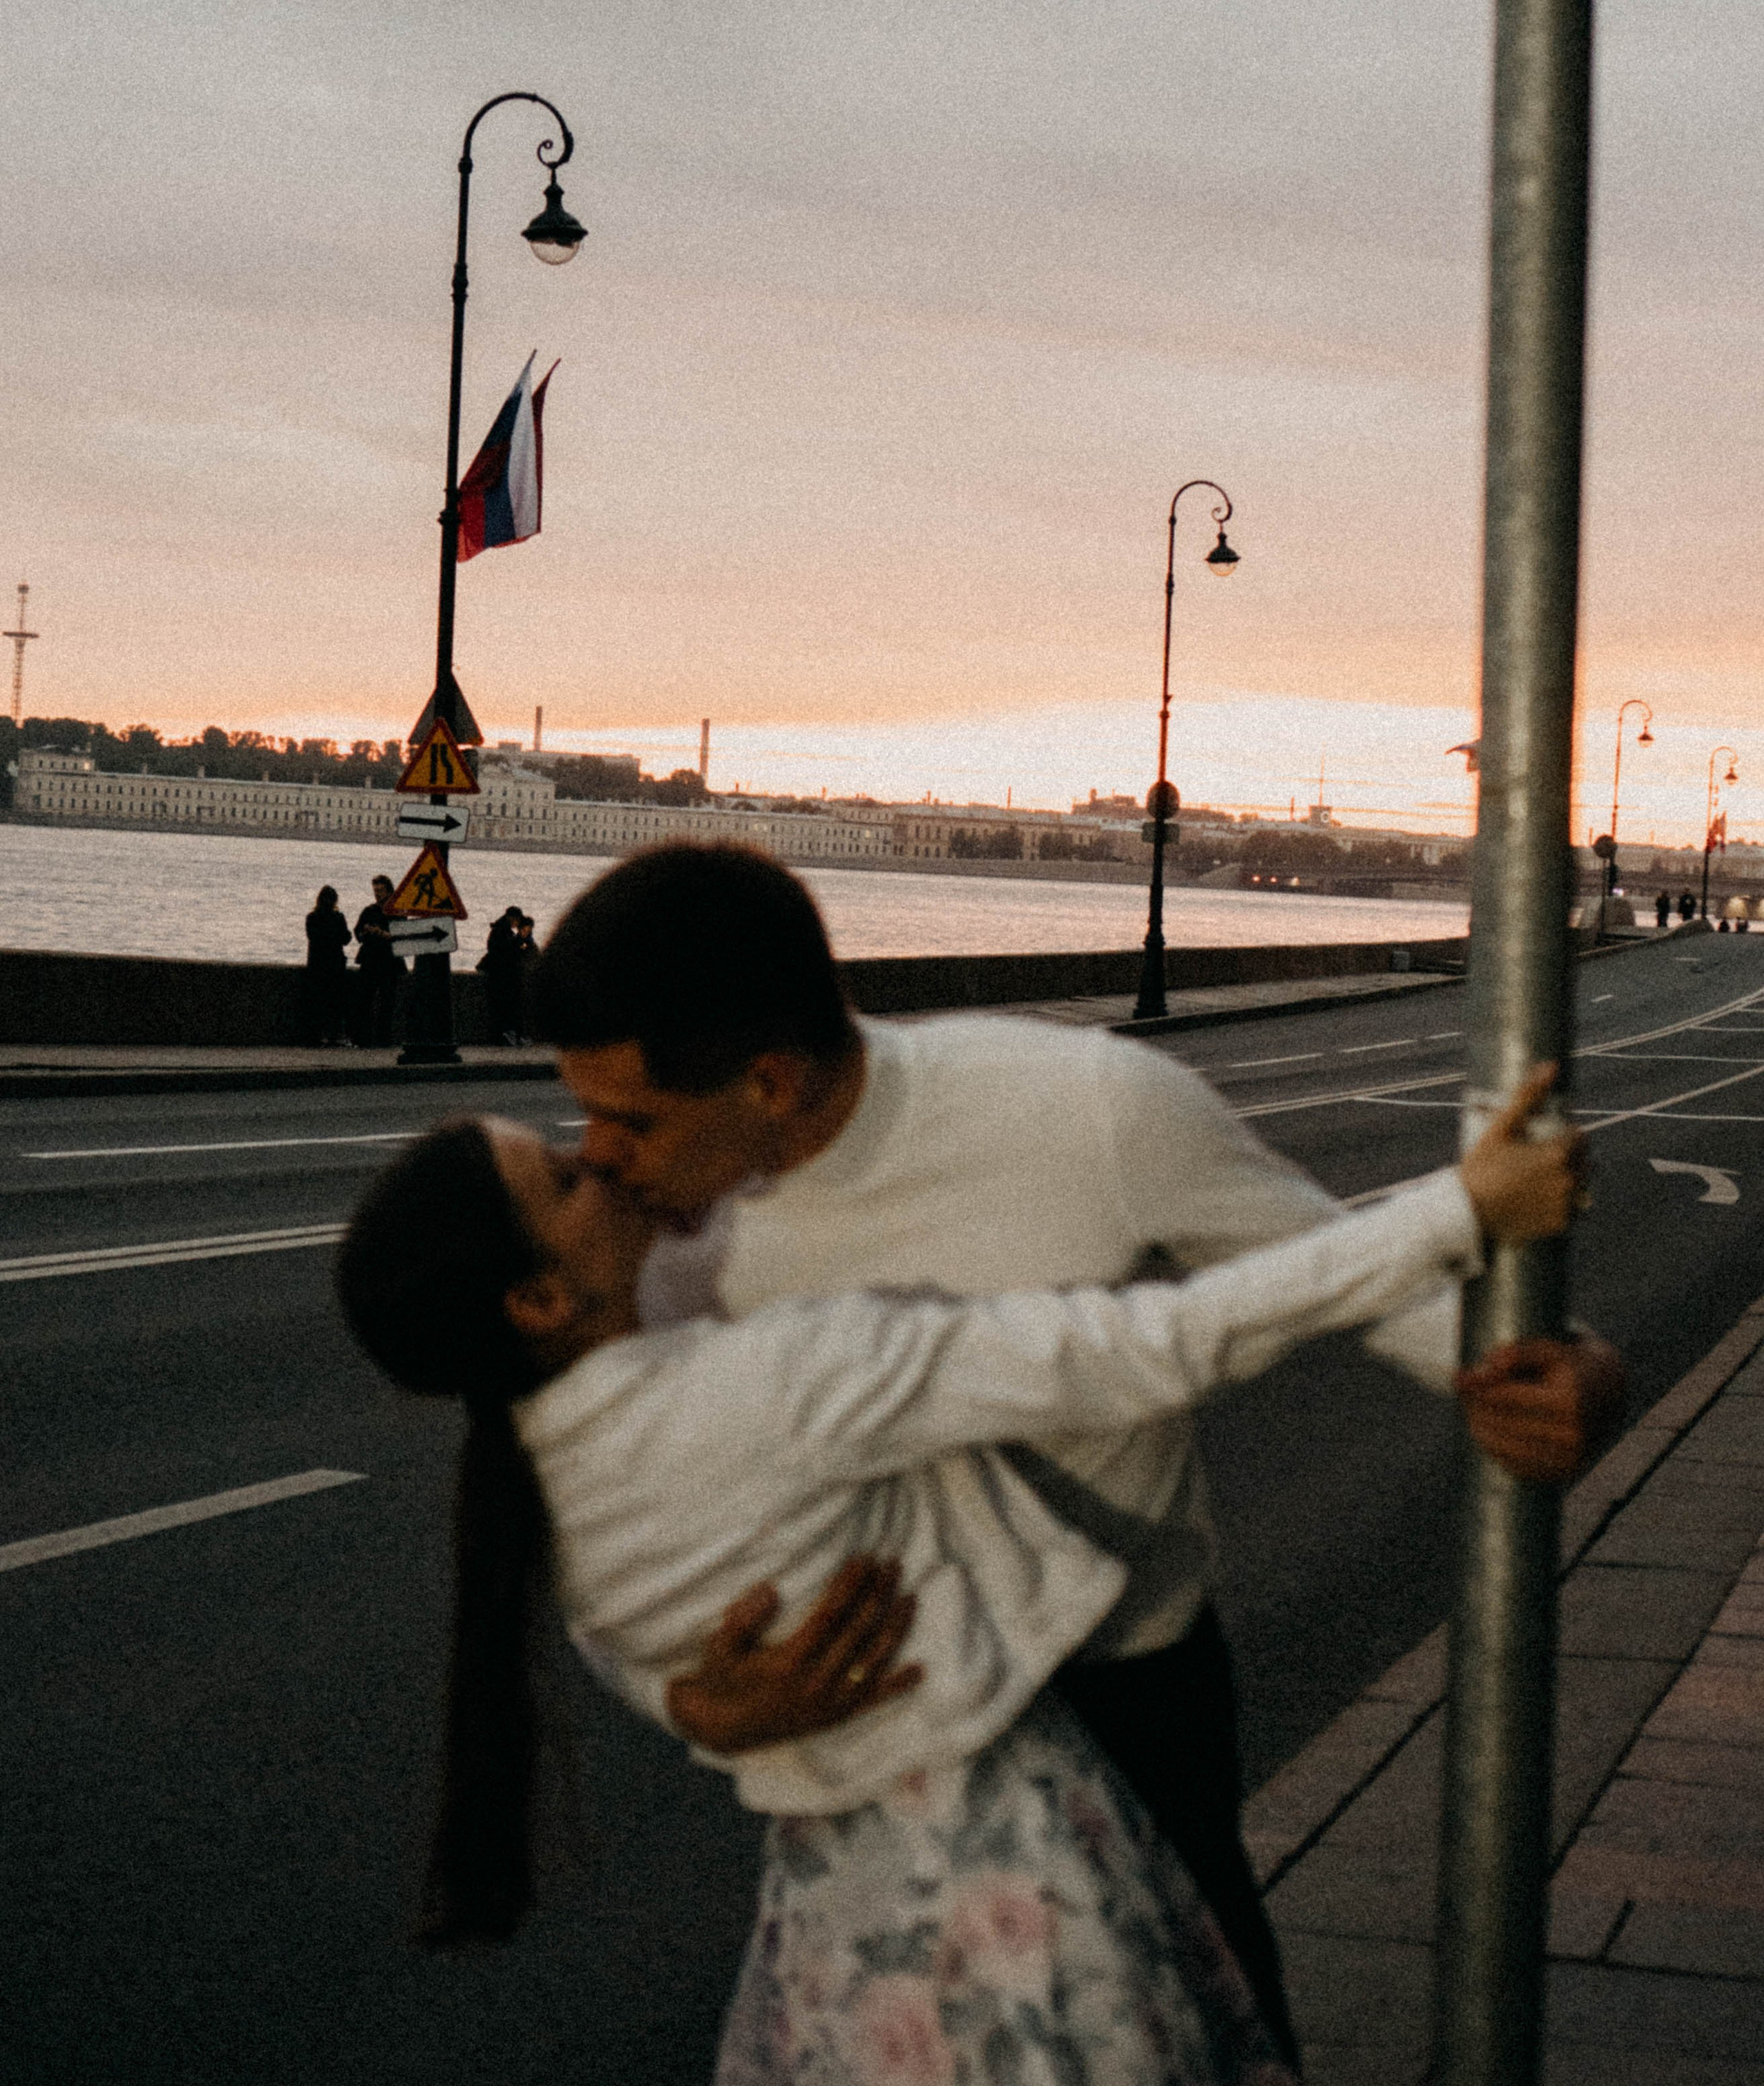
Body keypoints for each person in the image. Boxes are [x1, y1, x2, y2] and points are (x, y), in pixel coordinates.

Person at [526, 845, 1626, 2065]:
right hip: (876, 1740)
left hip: (1130, 1712)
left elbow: (1356, 1289)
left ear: (770, 1082)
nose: (599, 1155)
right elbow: (601, 1512)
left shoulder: (1090, 1109)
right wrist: (686, 1700)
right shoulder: (657, 1257)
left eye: (627, 1118)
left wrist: (1585, 1373)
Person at [334, 1071, 1579, 2085]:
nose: (598, 1154)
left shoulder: (539, 1493)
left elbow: (628, 1644)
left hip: (830, 1913)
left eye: (606, 1121)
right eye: (559, 1172)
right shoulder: (771, 1383)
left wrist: (692, 1707)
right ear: (543, 1296)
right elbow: (1156, 1343)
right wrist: (1456, 1211)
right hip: (1009, 1864)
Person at [353, 875, 401, 1047]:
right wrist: (365, 932)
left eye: (380, 891)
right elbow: (357, 932)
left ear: (388, 891)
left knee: (387, 1002)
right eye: (375, 891)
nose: (377, 895)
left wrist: (383, 934)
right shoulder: (369, 911)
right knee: (365, 999)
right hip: (370, 959)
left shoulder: (397, 911)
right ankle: (364, 1038)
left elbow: (401, 936)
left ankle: (383, 1038)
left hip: (389, 961)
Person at [302, 884, 351, 1047]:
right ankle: (335, 1035)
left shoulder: (312, 917)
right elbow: (345, 938)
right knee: (336, 1002)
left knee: (317, 1001)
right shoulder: (338, 918)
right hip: (335, 965)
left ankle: (316, 1035)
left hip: (317, 964)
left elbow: (312, 937)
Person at [479, 905, 533, 1047]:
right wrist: (520, 940)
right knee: (506, 1007)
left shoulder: (502, 930)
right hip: (501, 976)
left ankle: (509, 1034)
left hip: (502, 975)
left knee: (506, 1007)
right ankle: (506, 1035)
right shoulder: (501, 932)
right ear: (512, 918)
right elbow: (504, 952)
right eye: (516, 921)